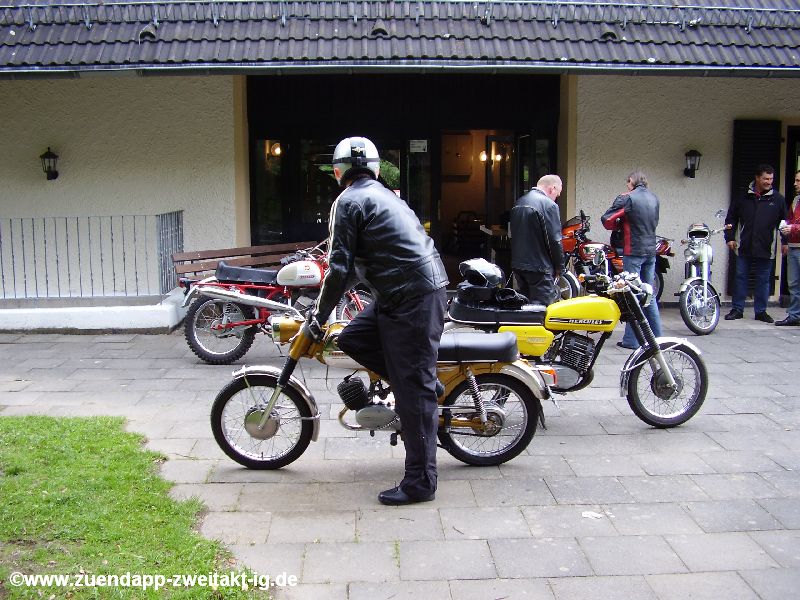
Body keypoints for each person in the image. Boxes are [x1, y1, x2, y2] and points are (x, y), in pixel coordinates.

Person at [304, 136, 448, 506]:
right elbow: (357, 264)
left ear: (338, 171)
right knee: (351, 337)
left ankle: (420, 483)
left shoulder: (347, 201)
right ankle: (423, 382)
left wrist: (318, 316)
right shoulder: (386, 195)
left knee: (412, 394)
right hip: (405, 294)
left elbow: (339, 268)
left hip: (412, 299)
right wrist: (326, 303)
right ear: (375, 168)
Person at [601, 170, 662, 349]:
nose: (627, 186)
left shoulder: (627, 198)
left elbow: (607, 220)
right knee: (648, 294)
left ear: (631, 182)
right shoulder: (654, 198)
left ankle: (631, 340)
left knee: (632, 295)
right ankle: (657, 337)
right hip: (650, 250)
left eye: (627, 182)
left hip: (633, 250)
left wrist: (620, 223)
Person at [724, 164, 786, 322]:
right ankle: (737, 309)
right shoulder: (742, 197)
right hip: (743, 245)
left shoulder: (778, 199)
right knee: (740, 277)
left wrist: (785, 242)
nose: (769, 182)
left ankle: (761, 312)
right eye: (765, 178)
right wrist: (729, 238)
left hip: (766, 246)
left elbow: (784, 223)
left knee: (763, 280)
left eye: (771, 179)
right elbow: (731, 218)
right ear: (757, 178)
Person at [509, 174, 564, 305]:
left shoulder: (519, 203)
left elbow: (512, 234)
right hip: (540, 267)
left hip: (519, 265)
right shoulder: (549, 205)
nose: (557, 197)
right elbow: (554, 240)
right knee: (543, 310)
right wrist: (559, 267)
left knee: (525, 308)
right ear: (552, 188)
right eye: (558, 193)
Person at [776, 170, 800, 326]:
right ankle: (794, 316)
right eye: (796, 180)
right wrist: (785, 228)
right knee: (793, 284)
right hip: (793, 246)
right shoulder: (796, 199)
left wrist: (793, 228)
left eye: (798, 181)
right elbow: (790, 219)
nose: (795, 184)